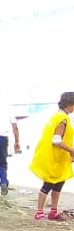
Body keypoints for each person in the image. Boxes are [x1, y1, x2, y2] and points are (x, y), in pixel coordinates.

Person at [29, 92, 74, 221]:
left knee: (59, 183)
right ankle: (39, 212)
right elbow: (56, 140)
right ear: (70, 105)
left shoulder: (57, 116)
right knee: (48, 185)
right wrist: (70, 150)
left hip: (57, 158)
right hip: (54, 158)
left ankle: (53, 211)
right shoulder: (62, 119)